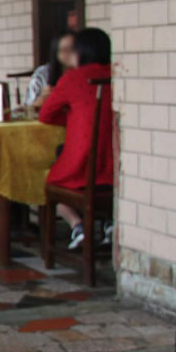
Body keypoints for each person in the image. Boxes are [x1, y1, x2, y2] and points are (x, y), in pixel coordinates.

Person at [39, 27, 113, 249]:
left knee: (52, 184)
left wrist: (73, 118)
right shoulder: (117, 74)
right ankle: (109, 223)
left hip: (81, 166)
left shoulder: (72, 78)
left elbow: (45, 115)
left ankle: (78, 225)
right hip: (114, 169)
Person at [25, 31, 77, 108]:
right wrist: (42, 100)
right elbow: (28, 109)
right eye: (65, 50)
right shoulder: (42, 75)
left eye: (74, 49)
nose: (71, 54)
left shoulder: (84, 73)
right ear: (56, 53)